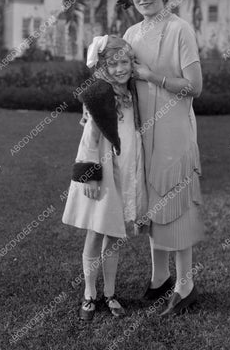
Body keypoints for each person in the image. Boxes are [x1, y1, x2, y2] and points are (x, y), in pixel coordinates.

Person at [117, 0, 205, 317]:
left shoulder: (180, 29)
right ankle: (159, 279)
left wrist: (152, 76)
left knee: (175, 202)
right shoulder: (131, 35)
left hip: (174, 130)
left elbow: (195, 87)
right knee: (152, 203)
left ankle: (186, 285)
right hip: (143, 131)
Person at [62, 35, 148, 322]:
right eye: (114, 64)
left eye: (125, 62)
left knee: (114, 234)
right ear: (103, 67)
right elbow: (89, 140)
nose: (121, 69)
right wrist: (90, 177)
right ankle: (89, 294)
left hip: (126, 171)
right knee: (96, 231)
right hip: (104, 173)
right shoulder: (99, 96)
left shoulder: (134, 92)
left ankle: (110, 293)